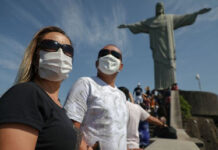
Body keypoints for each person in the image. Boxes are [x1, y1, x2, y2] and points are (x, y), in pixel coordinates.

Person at [0, 26, 80, 150]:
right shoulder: (26, 94)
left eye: (68, 50)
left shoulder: (60, 109)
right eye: (51, 45)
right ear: (35, 56)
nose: (60, 54)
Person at [118, 2, 211, 90]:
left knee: (170, 64)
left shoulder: (169, 18)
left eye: (160, 7)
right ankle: (160, 87)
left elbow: (184, 17)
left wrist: (196, 13)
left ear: (163, 9)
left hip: (168, 47)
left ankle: (173, 85)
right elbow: (139, 25)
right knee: (158, 66)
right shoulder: (150, 21)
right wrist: (128, 25)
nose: (159, 8)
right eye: (157, 7)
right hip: (158, 49)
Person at [64, 44, 128, 150]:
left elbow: (118, 132)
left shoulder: (121, 95)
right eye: (104, 53)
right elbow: (70, 125)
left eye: (115, 54)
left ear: (121, 66)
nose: (109, 56)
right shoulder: (85, 83)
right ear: (97, 63)